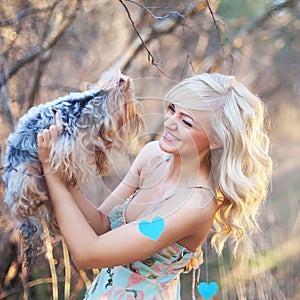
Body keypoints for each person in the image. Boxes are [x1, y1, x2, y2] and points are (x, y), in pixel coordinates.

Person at [37, 73, 272, 299]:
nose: (170, 123)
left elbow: (88, 254)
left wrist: (51, 172)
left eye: (186, 121)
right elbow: (101, 225)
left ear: (216, 140)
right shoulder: (152, 156)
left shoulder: (195, 204)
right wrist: (62, 169)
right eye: (172, 109)